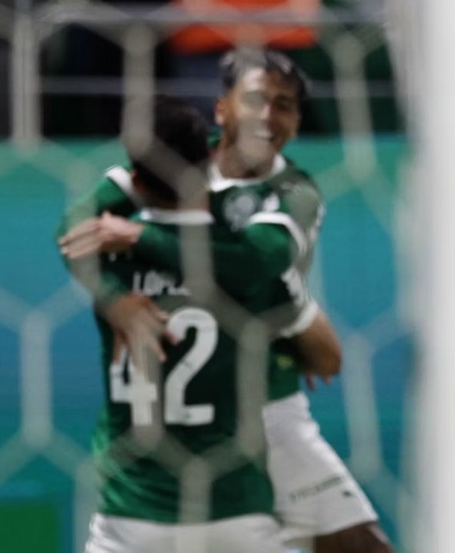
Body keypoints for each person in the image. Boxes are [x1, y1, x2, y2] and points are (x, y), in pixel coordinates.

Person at [58, 48, 392, 553]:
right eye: (256, 99)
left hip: (268, 406)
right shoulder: (179, 158)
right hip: (183, 421)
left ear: (298, 123)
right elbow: (74, 231)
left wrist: (137, 238)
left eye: (284, 105)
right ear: (222, 108)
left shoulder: (294, 192)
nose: (268, 115)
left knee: (359, 545)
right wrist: (114, 302)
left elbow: (254, 267)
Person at [82, 95, 329, 553]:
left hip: (131, 518)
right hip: (234, 510)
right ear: (207, 168)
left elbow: (74, 232)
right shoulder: (245, 266)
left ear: (135, 180)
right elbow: (326, 357)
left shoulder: (106, 263)